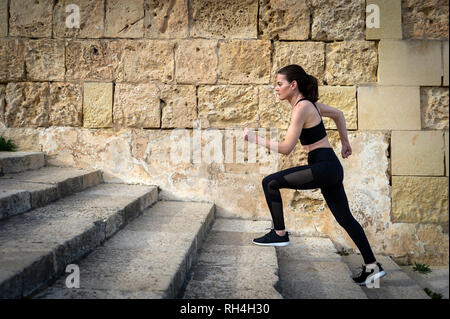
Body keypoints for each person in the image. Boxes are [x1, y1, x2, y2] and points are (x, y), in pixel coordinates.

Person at [242, 64, 386, 286]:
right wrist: (345, 143)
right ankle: (372, 266)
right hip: (329, 166)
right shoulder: (310, 105)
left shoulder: (302, 107)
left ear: (293, 85)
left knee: (270, 182)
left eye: (279, 84)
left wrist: (255, 139)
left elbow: (287, 147)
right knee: (345, 218)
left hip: (324, 166)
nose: (276, 88)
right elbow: (338, 114)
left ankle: (279, 234)